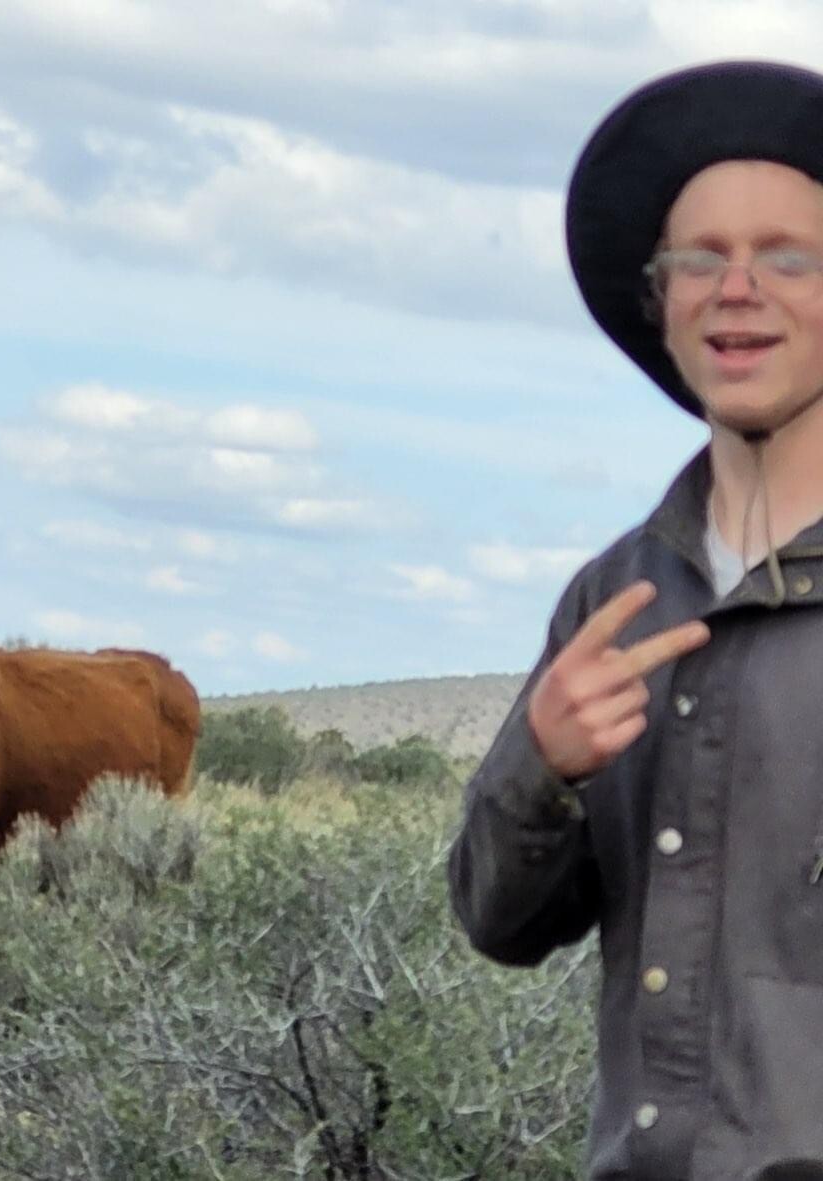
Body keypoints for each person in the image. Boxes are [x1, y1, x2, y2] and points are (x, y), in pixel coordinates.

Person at [448, 60, 823, 1181]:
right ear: (659, 302)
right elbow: (497, 920)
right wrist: (540, 764)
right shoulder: (610, 596)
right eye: (698, 258)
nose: (735, 287)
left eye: (785, 255)